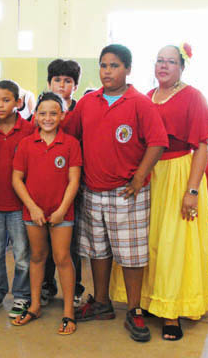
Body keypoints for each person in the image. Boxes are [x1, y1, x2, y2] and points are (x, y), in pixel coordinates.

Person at [65, 44, 167, 342]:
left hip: (127, 193)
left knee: (132, 254)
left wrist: (138, 178)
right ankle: (101, 302)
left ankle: (134, 309)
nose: (108, 71)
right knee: (97, 250)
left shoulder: (140, 103)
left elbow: (157, 142)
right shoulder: (87, 102)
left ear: (128, 69)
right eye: (104, 65)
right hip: (92, 191)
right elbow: (71, 136)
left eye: (115, 66)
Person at [141, 43, 208, 341]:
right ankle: (151, 301)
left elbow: (203, 145)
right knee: (151, 240)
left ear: (181, 67)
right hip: (152, 174)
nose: (163, 66)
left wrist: (192, 190)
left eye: (170, 61)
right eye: (159, 60)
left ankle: (172, 312)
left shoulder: (193, 96)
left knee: (174, 242)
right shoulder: (147, 97)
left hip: (181, 173)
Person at [11, 92, 81, 335]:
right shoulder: (27, 144)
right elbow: (17, 179)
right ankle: (35, 305)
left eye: (53, 113)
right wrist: (32, 207)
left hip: (62, 213)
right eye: (42, 113)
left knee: (62, 258)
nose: (48, 118)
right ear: (35, 116)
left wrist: (62, 209)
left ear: (62, 115)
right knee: (37, 256)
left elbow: (74, 181)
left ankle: (69, 312)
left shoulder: (71, 143)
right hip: (34, 212)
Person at [0, 80, 34, 318]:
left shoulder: (30, 130)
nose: (0, 105)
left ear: (18, 102)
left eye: (6, 100)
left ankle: (22, 295)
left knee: (22, 253)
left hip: (20, 204)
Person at [42, 58, 84, 307]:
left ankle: (75, 288)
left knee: (72, 243)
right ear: (48, 82)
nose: (61, 84)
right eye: (57, 80)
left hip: (72, 187)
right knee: (45, 243)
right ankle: (47, 285)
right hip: (45, 188)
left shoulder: (80, 112)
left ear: (75, 86)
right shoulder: (41, 110)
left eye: (67, 81)